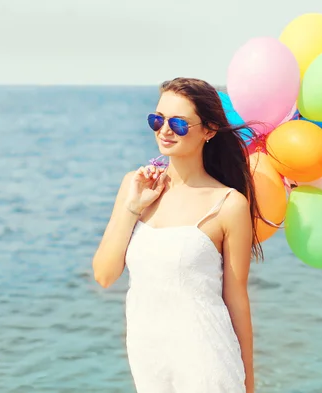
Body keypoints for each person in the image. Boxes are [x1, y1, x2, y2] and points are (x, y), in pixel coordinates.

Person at [91, 77, 266, 393]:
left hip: (208, 364)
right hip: (150, 363)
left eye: (179, 124)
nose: (165, 130)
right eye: (157, 120)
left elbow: (237, 299)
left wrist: (248, 383)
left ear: (209, 130)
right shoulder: (135, 186)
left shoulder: (228, 204)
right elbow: (104, 275)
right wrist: (132, 208)